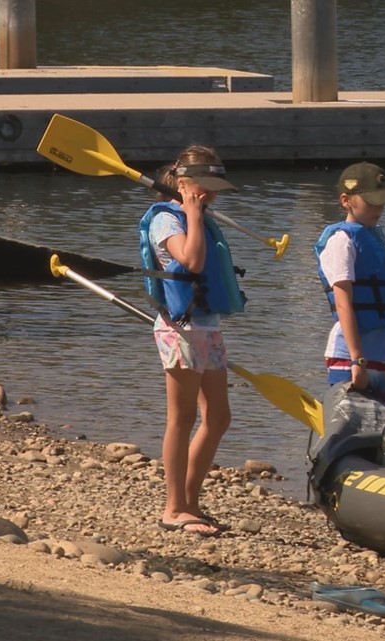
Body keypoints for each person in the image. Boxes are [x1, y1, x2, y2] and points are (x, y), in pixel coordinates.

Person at [138, 146, 245, 537]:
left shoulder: (191, 214)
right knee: (182, 418)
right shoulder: (166, 221)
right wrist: (194, 213)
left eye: (215, 189)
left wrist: (196, 212)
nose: (212, 196)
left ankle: (191, 502)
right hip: (179, 329)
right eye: (206, 188)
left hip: (207, 327)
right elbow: (192, 260)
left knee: (218, 417)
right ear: (183, 185)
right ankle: (173, 508)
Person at [313, 162, 385, 409]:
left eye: (383, 201)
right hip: (349, 358)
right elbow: (344, 304)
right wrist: (357, 360)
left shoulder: (376, 238)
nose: (379, 208)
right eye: (372, 201)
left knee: (384, 437)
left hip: (382, 356)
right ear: (346, 200)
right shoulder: (342, 241)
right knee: (350, 438)